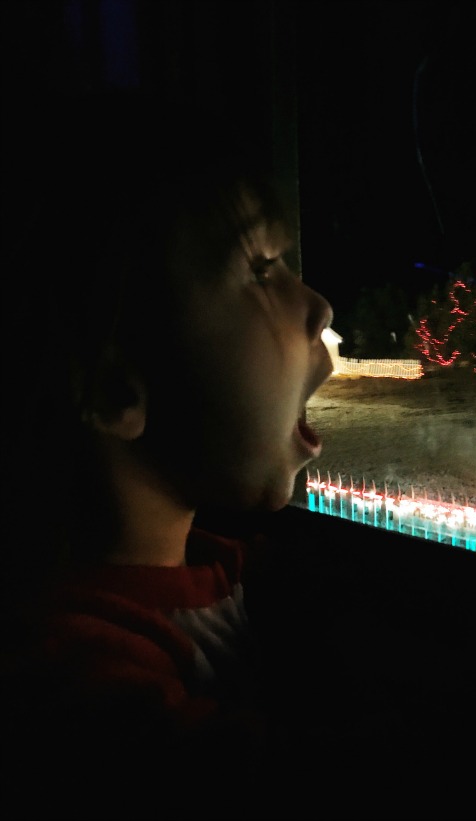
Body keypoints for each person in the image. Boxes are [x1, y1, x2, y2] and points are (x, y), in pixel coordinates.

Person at [1, 90, 335, 819]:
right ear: (116, 390)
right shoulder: (78, 693)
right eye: (261, 269)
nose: (318, 307)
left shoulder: (230, 570)